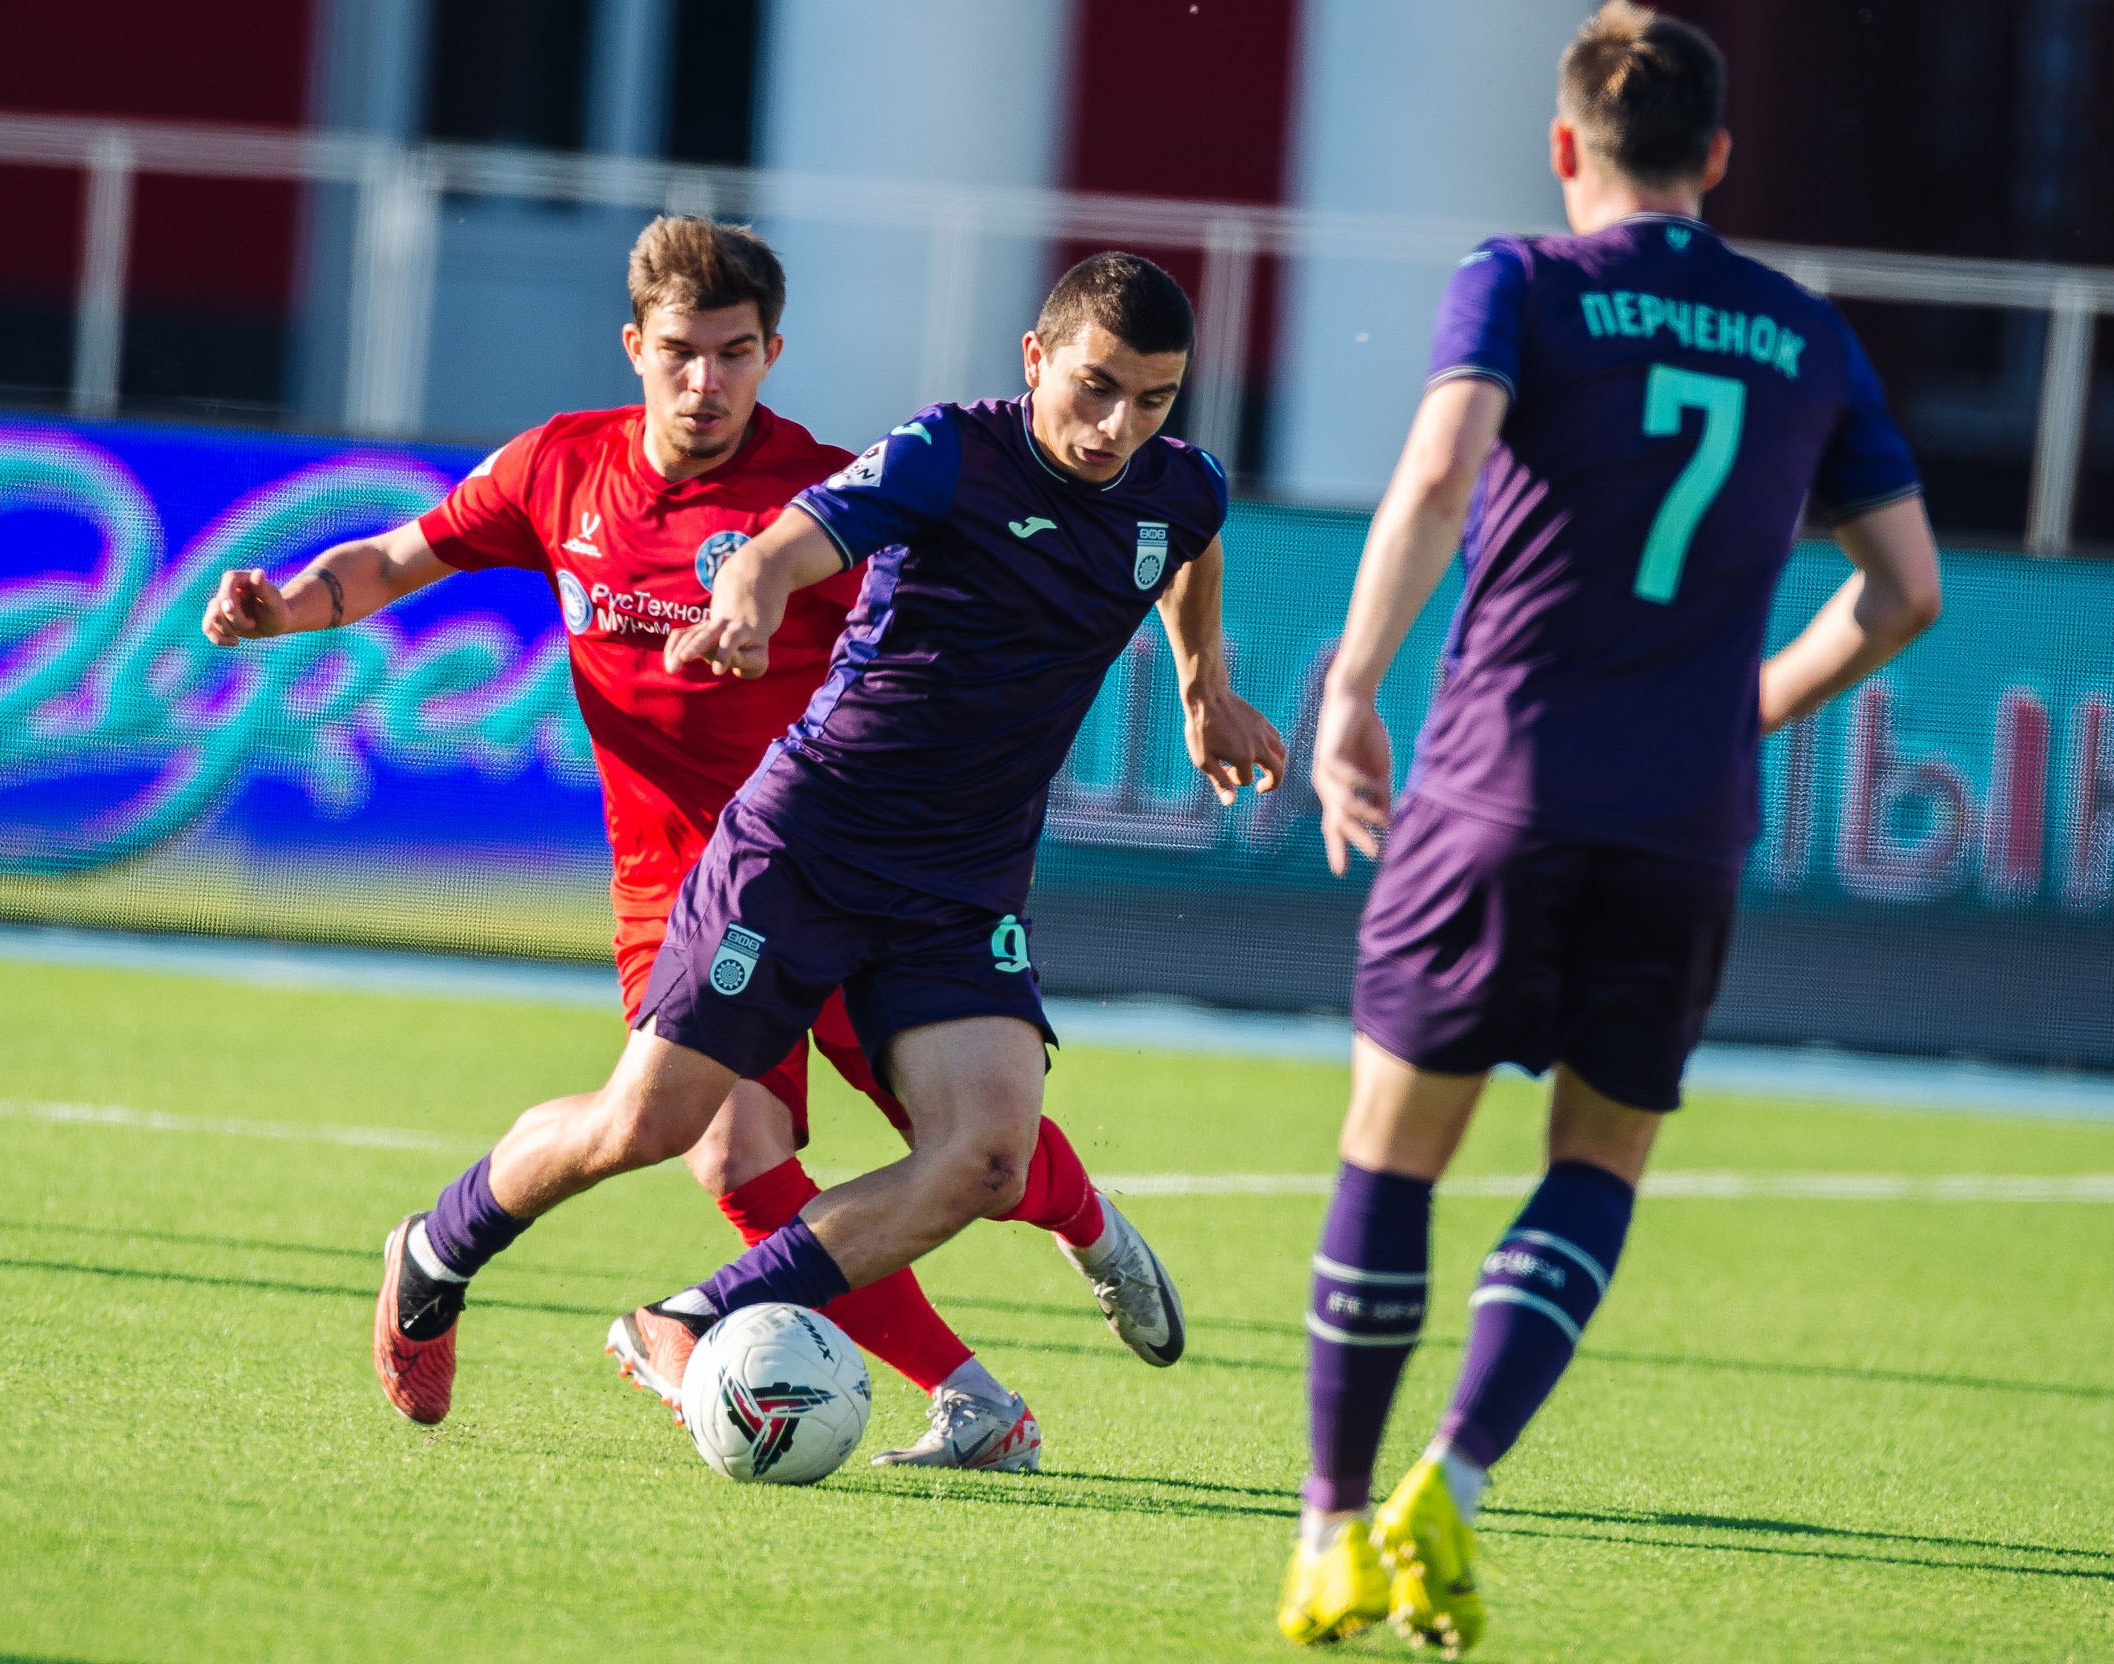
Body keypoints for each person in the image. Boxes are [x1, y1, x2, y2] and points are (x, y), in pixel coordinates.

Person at [201, 215, 1169, 1472]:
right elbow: (396, 556)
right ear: (634, 346)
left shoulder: (827, 484)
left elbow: (1038, 560)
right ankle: (958, 1388)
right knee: (699, 1137)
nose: (703, 382)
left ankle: (1092, 1235)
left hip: (846, 851)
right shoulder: (558, 467)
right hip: (684, 879)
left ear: (772, 353)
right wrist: (289, 605)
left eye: (733, 353)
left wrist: (766, 596)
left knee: (977, 1141)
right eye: (678, 353)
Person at [1275, 6, 1943, 1652]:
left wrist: (1353, 680)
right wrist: (1751, 706)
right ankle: (1460, 1475)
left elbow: (1439, 477)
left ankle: (1331, 1528)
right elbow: (1908, 587)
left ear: (1567, 147)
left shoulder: (1522, 276)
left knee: (1393, 1152)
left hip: (1500, 783)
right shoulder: (1805, 331)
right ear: (1718, 158)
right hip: (1682, 819)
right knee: (1597, 1160)